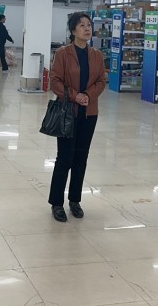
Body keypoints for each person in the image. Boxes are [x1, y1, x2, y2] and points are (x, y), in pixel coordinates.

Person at [48, 12, 107, 222]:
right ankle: (56, 203)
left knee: (81, 158)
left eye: (89, 25)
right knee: (64, 158)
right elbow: (55, 81)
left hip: (89, 113)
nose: (87, 28)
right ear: (73, 30)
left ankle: (75, 200)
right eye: (82, 25)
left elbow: (101, 81)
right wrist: (76, 96)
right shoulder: (63, 54)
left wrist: (88, 96)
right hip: (67, 113)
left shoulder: (97, 55)